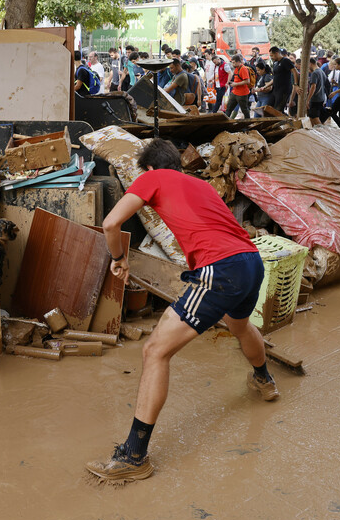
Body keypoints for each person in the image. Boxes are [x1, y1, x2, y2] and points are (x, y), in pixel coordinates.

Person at [85, 138, 277, 484]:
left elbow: (111, 224)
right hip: (250, 262)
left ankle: (133, 456)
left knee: (155, 351)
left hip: (220, 269)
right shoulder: (200, 184)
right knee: (240, 326)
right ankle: (265, 380)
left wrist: (118, 259)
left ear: (150, 168)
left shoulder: (152, 177)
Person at [269, 46, 294, 114]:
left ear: (277, 53)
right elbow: (275, 78)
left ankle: (286, 122)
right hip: (275, 90)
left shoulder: (285, 61)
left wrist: (296, 84)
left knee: (278, 111)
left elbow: (295, 72)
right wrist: (265, 86)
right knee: (269, 108)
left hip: (283, 91)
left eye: (272, 55)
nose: (271, 57)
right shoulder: (275, 63)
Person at [225, 54, 251, 118]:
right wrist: (231, 83)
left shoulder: (243, 69)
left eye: (233, 63)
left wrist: (236, 84)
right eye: (232, 63)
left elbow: (247, 81)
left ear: (238, 62)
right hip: (235, 92)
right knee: (228, 108)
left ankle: (248, 123)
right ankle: (224, 123)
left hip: (242, 93)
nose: (232, 64)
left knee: (244, 110)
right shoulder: (237, 68)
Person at [307, 58, 327, 126]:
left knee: (315, 118)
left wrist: (308, 100)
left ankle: (321, 133)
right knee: (312, 117)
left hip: (315, 99)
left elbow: (313, 87)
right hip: (321, 98)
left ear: (310, 63)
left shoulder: (315, 73)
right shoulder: (321, 71)